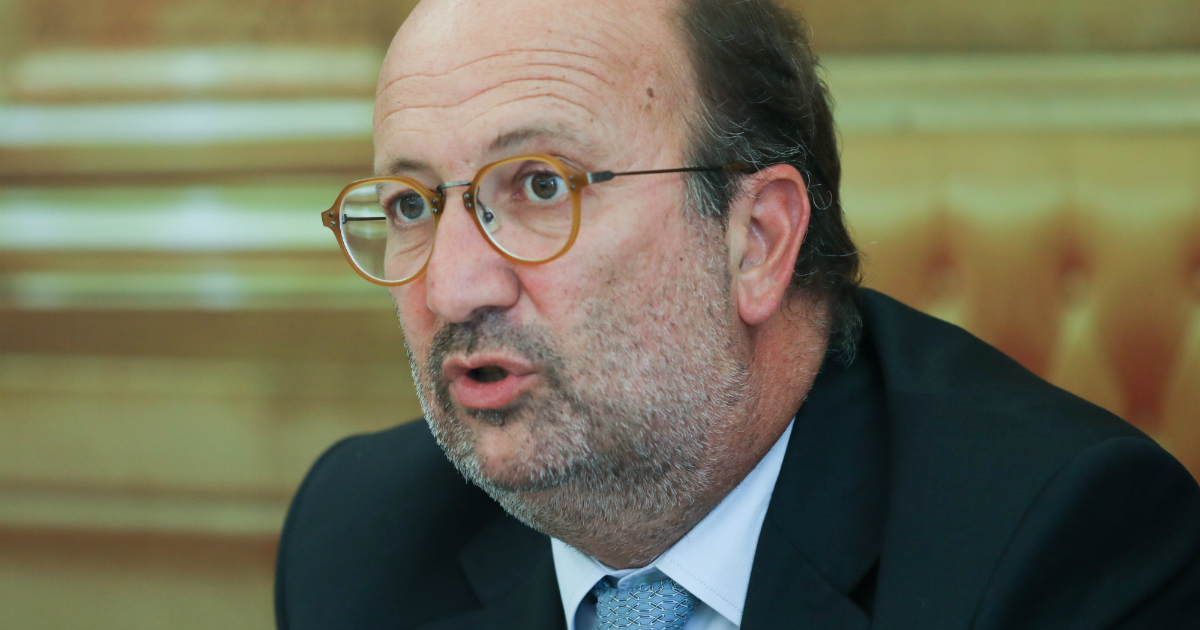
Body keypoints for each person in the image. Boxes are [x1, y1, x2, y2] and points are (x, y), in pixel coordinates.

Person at [275, 0, 1200, 627]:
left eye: (542, 186)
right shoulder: (358, 537)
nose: (452, 288)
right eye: (411, 204)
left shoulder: (1053, 547)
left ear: (755, 240)